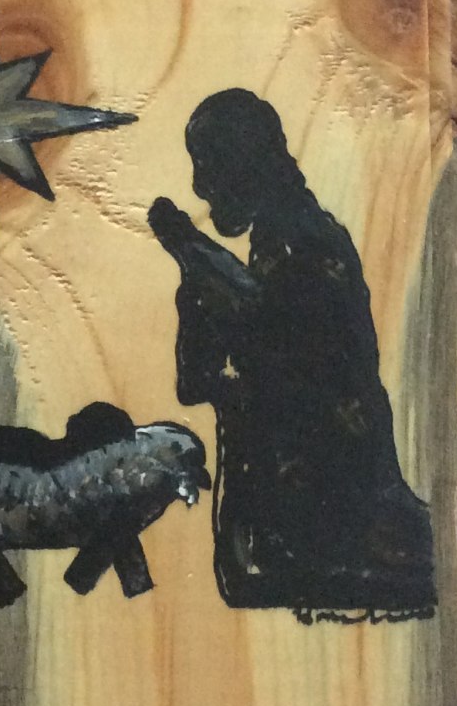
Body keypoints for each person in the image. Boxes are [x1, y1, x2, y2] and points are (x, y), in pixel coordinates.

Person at [148, 89, 436, 623]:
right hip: (289, 518)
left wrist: (194, 252)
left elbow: (278, 337)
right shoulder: (282, 239)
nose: (200, 186)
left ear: (248, 162)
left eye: (209, 164)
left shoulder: (306, 242)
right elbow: (204, 376)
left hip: (326, 520)